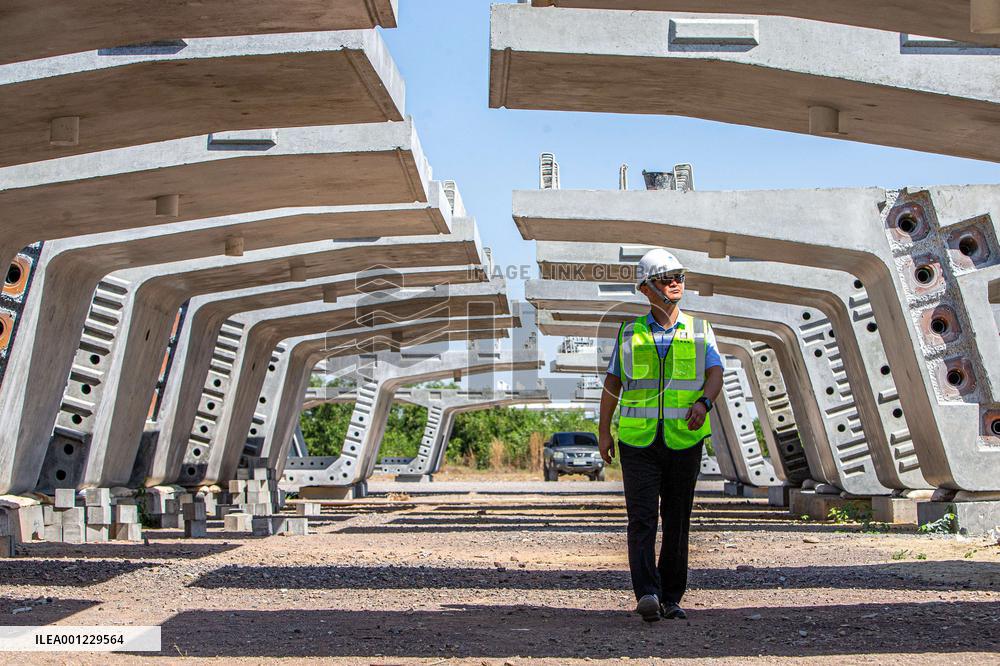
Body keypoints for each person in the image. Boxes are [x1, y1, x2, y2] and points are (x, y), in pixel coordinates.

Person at [598, 248, 724, 622]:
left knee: (677, 519)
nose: (676, 284)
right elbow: (613, 383)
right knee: (641, 519)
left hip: (684, 441)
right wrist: (603, 432)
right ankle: (647, 593)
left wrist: (705, 402)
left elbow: (714, 373)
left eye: (680, 277)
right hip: (637, 441)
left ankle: (671, 597)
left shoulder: (700, 330)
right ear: (645, 288)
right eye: (667, 278)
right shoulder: (629, 333)